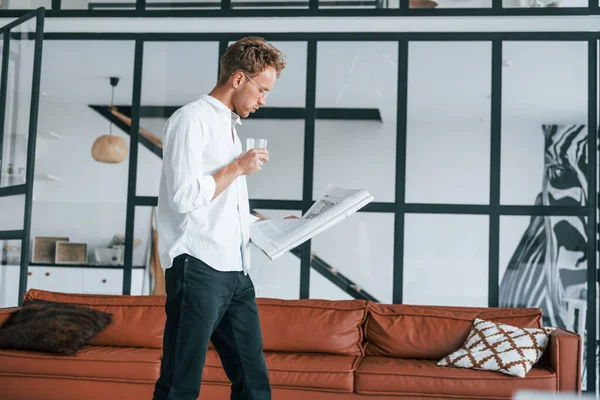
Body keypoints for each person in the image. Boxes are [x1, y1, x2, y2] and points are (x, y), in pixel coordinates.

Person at [152, 36, 287, 400]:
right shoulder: (191, 119)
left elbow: (226, 210)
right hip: (198, 267)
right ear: (239, 79)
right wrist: (238, 167)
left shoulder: (229, 126)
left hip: (236, 271)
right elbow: (183, 197)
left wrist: (274, 226)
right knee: (180, 383)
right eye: (261, 90)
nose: (263, 100)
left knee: (254, 383)